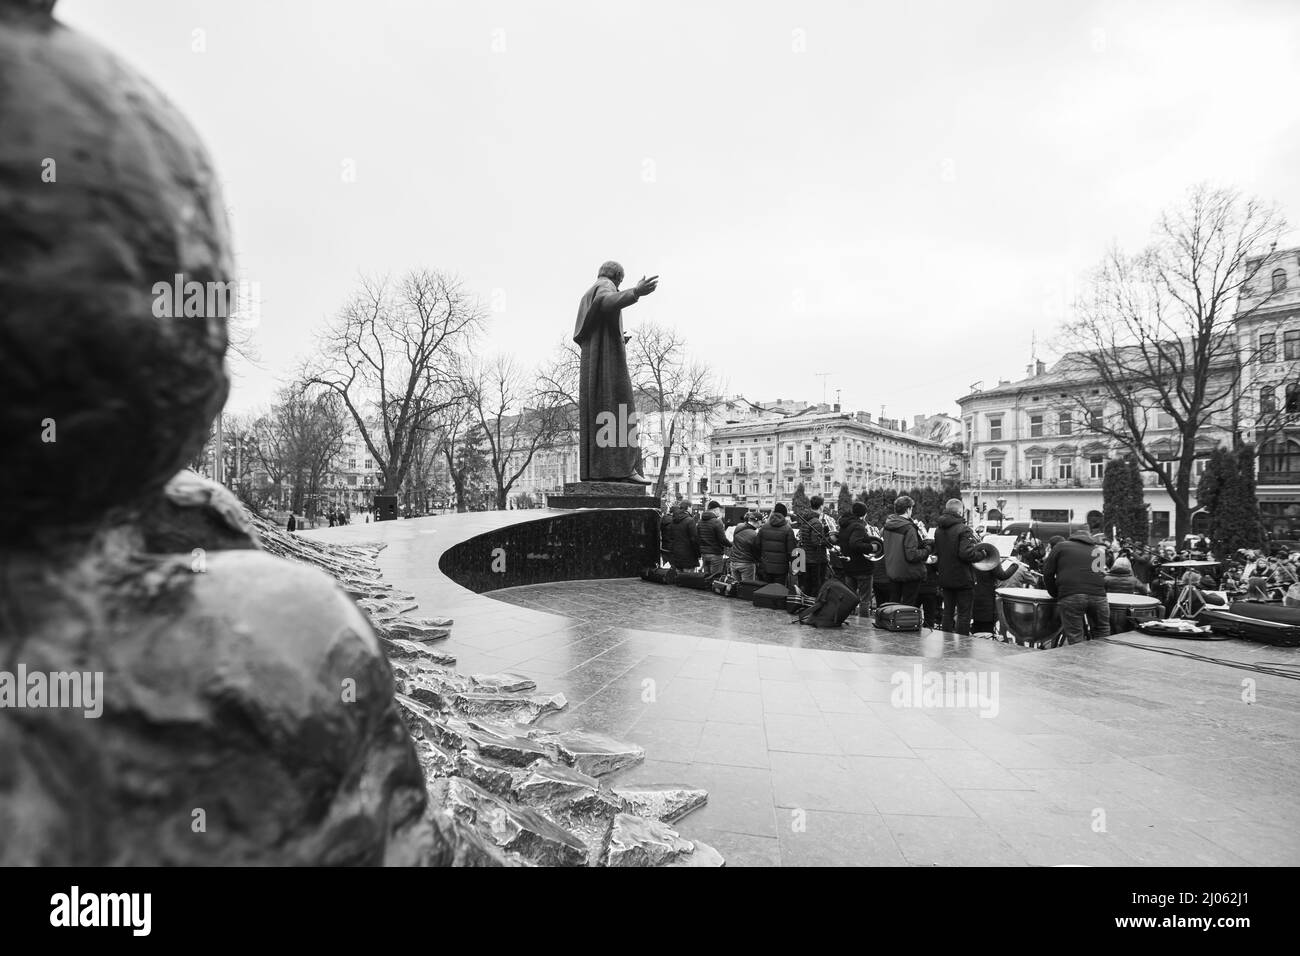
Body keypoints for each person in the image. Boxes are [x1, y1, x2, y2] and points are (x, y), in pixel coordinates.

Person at [572, 261, 657, 483]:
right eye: (620, 282)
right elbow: (606, 302)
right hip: (608, 365)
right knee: (621, 408)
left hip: (596, 362)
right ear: (617, 277)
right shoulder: (605, 286)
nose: (618, 286)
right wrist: (635, 292)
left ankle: (600, 470)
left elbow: (595, 323)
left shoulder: (586, 295)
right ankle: (624, 469)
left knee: (600, 410)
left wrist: (617, 338)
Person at [1042, 528, 1110, 644]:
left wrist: (1055, 593)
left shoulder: (1061, 547)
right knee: (1102, 632)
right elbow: (1101, 575)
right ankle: (1101, 659)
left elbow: (1047, 574)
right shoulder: (1098, 550)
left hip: (1071, 595)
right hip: (1099, 596)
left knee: (1076, 636)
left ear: (1073, 537)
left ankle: (1080, 661)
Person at [932, 498, 981, 635]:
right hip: (963, 578)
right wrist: (981, 554)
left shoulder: (938, 530)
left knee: (947, 612)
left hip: (945, 578)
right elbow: (965, 554)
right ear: (960, 511)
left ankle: (946, 642)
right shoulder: (963, 529)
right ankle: (962, 646)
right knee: (964, 614)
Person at [882, 495, 932, 608]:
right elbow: (912, 555)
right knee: (907, 607)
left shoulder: (887, 524)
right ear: (908, 509)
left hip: (893, 571)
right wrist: (927, 549)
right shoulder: (908, 528)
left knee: (893, 605)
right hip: (909, 573)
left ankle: (891, 624)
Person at [793, 495, 834, 596]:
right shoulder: (816, 523)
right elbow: (816, 542)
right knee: (816, 587)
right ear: (821, 507)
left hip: (806, 558)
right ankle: (813, 607)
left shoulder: (806, 520)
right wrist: (830, 540)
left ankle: (806, 605)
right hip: (816, 560)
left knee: (807, 585)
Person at [972, 554, 1019, 634]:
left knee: (977, 624)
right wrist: (1015, 565)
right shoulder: (992, 561)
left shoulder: (973, 559)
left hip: (975, 595)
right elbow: (1003, 575)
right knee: (987, 628)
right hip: (988, 598)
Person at [837, 502, 874, 603]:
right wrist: (871, 547)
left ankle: (849, 618)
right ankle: (864, 619)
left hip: (849, 567)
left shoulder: (844, 524)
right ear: (864, 514)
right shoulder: (858, 526)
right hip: (862, 568)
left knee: (849, 599)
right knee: (864, 601)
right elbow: (854, 544)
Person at [757, 502, 798, 586]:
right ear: (784, 515)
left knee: (765, 592)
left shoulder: (763, 527)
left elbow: (756, 545)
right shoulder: (788, 529)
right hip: (781, 569)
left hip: (765, 567)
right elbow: (792, 551)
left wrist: (760, 560)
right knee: (778, 594)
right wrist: (796, 568)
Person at [663, 502, 700, 572]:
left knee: (679, 578)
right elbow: (694, 539)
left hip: (676, 555)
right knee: (688, 578)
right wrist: (698, 553)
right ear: (688, 508)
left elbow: (671, 537)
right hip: (689, 555)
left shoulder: (673, 520)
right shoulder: (690, 520)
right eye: (691, 508)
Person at [728, 509, 762, 582]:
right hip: (746, 564)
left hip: (733, 562)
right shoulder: (754, 534)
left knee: (735, 586)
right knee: (747, 588)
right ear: (758, 521)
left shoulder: (738, 526)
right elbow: (756, 551)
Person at [697, 500, 728, 576]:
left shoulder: (700, 521)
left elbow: (697, 537)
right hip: (715, 554)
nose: (719, 512)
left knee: (706, 577)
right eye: (719, 510)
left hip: (704, 554)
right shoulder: (717, 522)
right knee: (715, 578)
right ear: (715, 510)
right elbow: (722, 539)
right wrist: (731, 544)